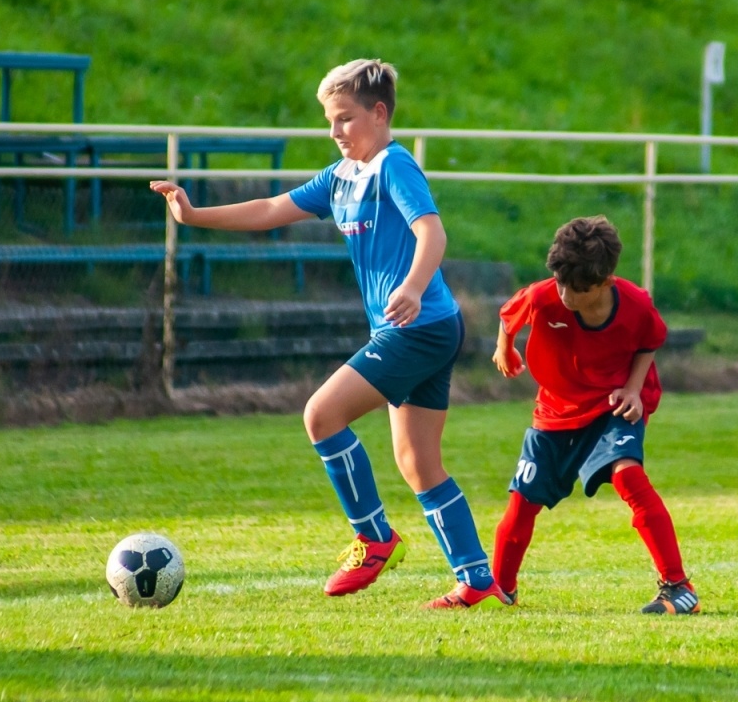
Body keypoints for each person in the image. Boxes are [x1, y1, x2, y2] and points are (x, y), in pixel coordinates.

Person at [149, 59, 510, 608]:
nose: (336, 131)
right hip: (428, 327)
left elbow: (431, 232)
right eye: (330, 121)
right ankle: (476, 578)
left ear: (379, 113)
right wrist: (194, 215)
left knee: (321, 414)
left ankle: (374, 537)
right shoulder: (341, 178)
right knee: (419, 463)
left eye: (345, 118)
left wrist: (412, 286)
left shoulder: (394, 165)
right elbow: (273, 207)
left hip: (417, 325)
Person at [490, 216, 699, 614]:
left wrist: (634, 389)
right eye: (561, 282)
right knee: (521, 502)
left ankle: (678, 588)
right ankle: (500, 590)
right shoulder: (542, 297)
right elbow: (508, 315)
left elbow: (649, 341)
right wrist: (506, 348)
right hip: (555, 409)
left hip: (613, 404)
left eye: (578, 288)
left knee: (627, 474)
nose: (566, 294)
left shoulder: (635, 304)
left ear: (605, 282)